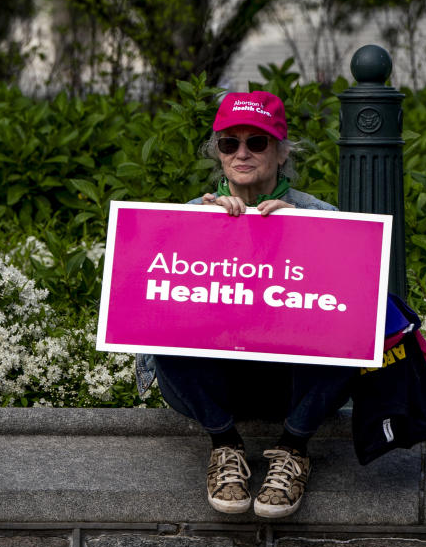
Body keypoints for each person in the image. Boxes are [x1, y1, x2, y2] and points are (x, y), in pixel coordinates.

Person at [135, 90, 352, 518]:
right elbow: (147, 315)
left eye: (257, 142)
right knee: (167, 328)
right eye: (229, 143)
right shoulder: (187, 217)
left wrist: (301, 233)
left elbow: (352, 317)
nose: (242, 153)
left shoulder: (322, 216)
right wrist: (207, 234)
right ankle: (225, 447)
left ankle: (293, 450)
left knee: (353, 333)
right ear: (216, 152)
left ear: (281, 150)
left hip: (291, 384)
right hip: (212, 385)